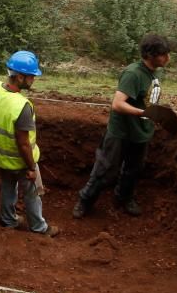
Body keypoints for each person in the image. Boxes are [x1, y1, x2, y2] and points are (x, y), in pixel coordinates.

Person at [73, 34, 171, 219]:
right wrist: (144, 114)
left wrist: (155, 114)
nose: (167, 58)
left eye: (167, 53)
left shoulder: (157, 72)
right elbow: (117, 104)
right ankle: (84, 200)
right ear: (150, 55)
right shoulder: (133, 74)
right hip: (121, 132)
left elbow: (149, 99)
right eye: (163, 54)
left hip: (141, 132)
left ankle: (123, 198)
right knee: (105, 170)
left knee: (134, 169)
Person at [0, 51, 58, 237]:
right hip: (19, 161)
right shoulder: (21, 106)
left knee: (8, 187)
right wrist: (31, 167)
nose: (33, 79)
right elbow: (24, 144)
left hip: (0, 158)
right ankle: (39, 227)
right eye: (31, 76)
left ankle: (8, 220)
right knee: (32, 193)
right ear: (19, 77)